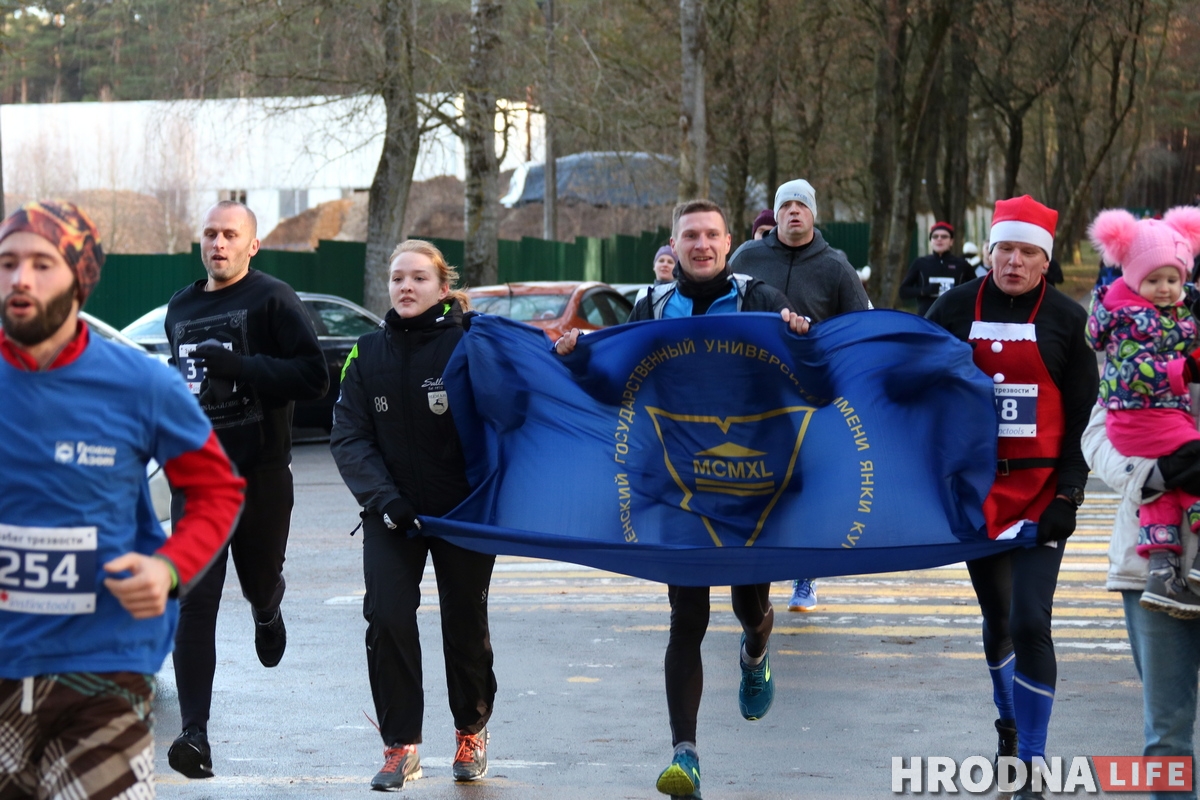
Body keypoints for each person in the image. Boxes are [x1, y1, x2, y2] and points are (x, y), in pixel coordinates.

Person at [558, 199, 810, 800]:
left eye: (711, 235)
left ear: (729, 242)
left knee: (749, 605)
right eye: (690, 236)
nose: (701, 245)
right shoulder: (651, 306)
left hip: (748, 481)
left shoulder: (759, 299)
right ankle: (685, 755)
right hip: (678, 486)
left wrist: (802, 335)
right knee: (687, 618)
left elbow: (807, 373)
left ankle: (755, 652)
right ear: (673, 246)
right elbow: (618, 380)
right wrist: (578, 355)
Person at [0, 200, 245, 799]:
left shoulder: (141, 383)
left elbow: (214, 488)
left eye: (41, 264)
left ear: (80, 277)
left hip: (101, 667)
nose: (20, 279)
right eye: (7, 263)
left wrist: (169, 567)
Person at [926, 195, 1097, 800]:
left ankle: (1031, 762)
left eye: (1028, 252)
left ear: (1046, 261)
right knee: (998, 619)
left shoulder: (1068, 320)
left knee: (1030, 620)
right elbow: (912, 376)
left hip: (1043, 493)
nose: (1015, 262)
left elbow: (1084, 416)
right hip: (979, 494)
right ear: (989, 252)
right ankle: (1008, 724)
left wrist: (1069, 495)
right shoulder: (952, 307)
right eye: (1006, 250)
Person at [164, 200, 329, 779]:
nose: (219, 243)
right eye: (211, 234)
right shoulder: (180, 308)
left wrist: (242, 367)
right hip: (198, 481)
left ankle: (266, 608)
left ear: (252, 245)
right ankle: (195, 734)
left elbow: (314, 378)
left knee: (257, 578)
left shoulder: (272, 298)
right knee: (193, 602)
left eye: (231, 235)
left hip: (260, 474)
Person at [330, 239, 495, 790]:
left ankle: (471, 730)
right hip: (392, 514)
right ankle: (401, 745)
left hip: (463, 512)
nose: (406, 286)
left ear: (443, 288)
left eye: (419, 278)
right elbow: (349, 436)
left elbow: (513, 407)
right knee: (387, 618)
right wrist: (386, 500)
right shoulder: (366, 352)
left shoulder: (471, 344)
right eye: (398, 277)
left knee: (464, 624)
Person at [729, 179, 873, 613]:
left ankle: (805, 575)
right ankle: (754, 577)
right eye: (786, 205)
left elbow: (861, 327)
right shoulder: (747, 258)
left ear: (813, 214)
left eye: (802, 205)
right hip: (754, 396)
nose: (794, 211)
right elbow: (721, 308)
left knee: (805, 487)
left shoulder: (836, 266)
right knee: (758, 484)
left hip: (812, 397)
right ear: (775, 214)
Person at [1084, 388, 1200, 800]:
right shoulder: (1139, 354)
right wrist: (1153, 475)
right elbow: (1097, 435)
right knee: (1167, 734)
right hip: (1151, 569)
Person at [1086, 207, 1200, 615]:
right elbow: (1096, 438)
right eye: (1155, 280)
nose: (1165, 288)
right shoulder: (1151, 327)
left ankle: (1165, 569)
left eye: (1172, 280)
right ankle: (1163, 569)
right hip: (1141, 564)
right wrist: (1151, 476)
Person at [900, 221, 972, 315]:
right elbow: (903, 291)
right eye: (935, 236)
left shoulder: (962, 265)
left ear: (951, 241)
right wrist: (925, 291)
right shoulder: (920, 263)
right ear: (931, 241)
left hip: (954, 317)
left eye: (944, 236)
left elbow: (975, 290)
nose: (939, 239)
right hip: (927, 317)